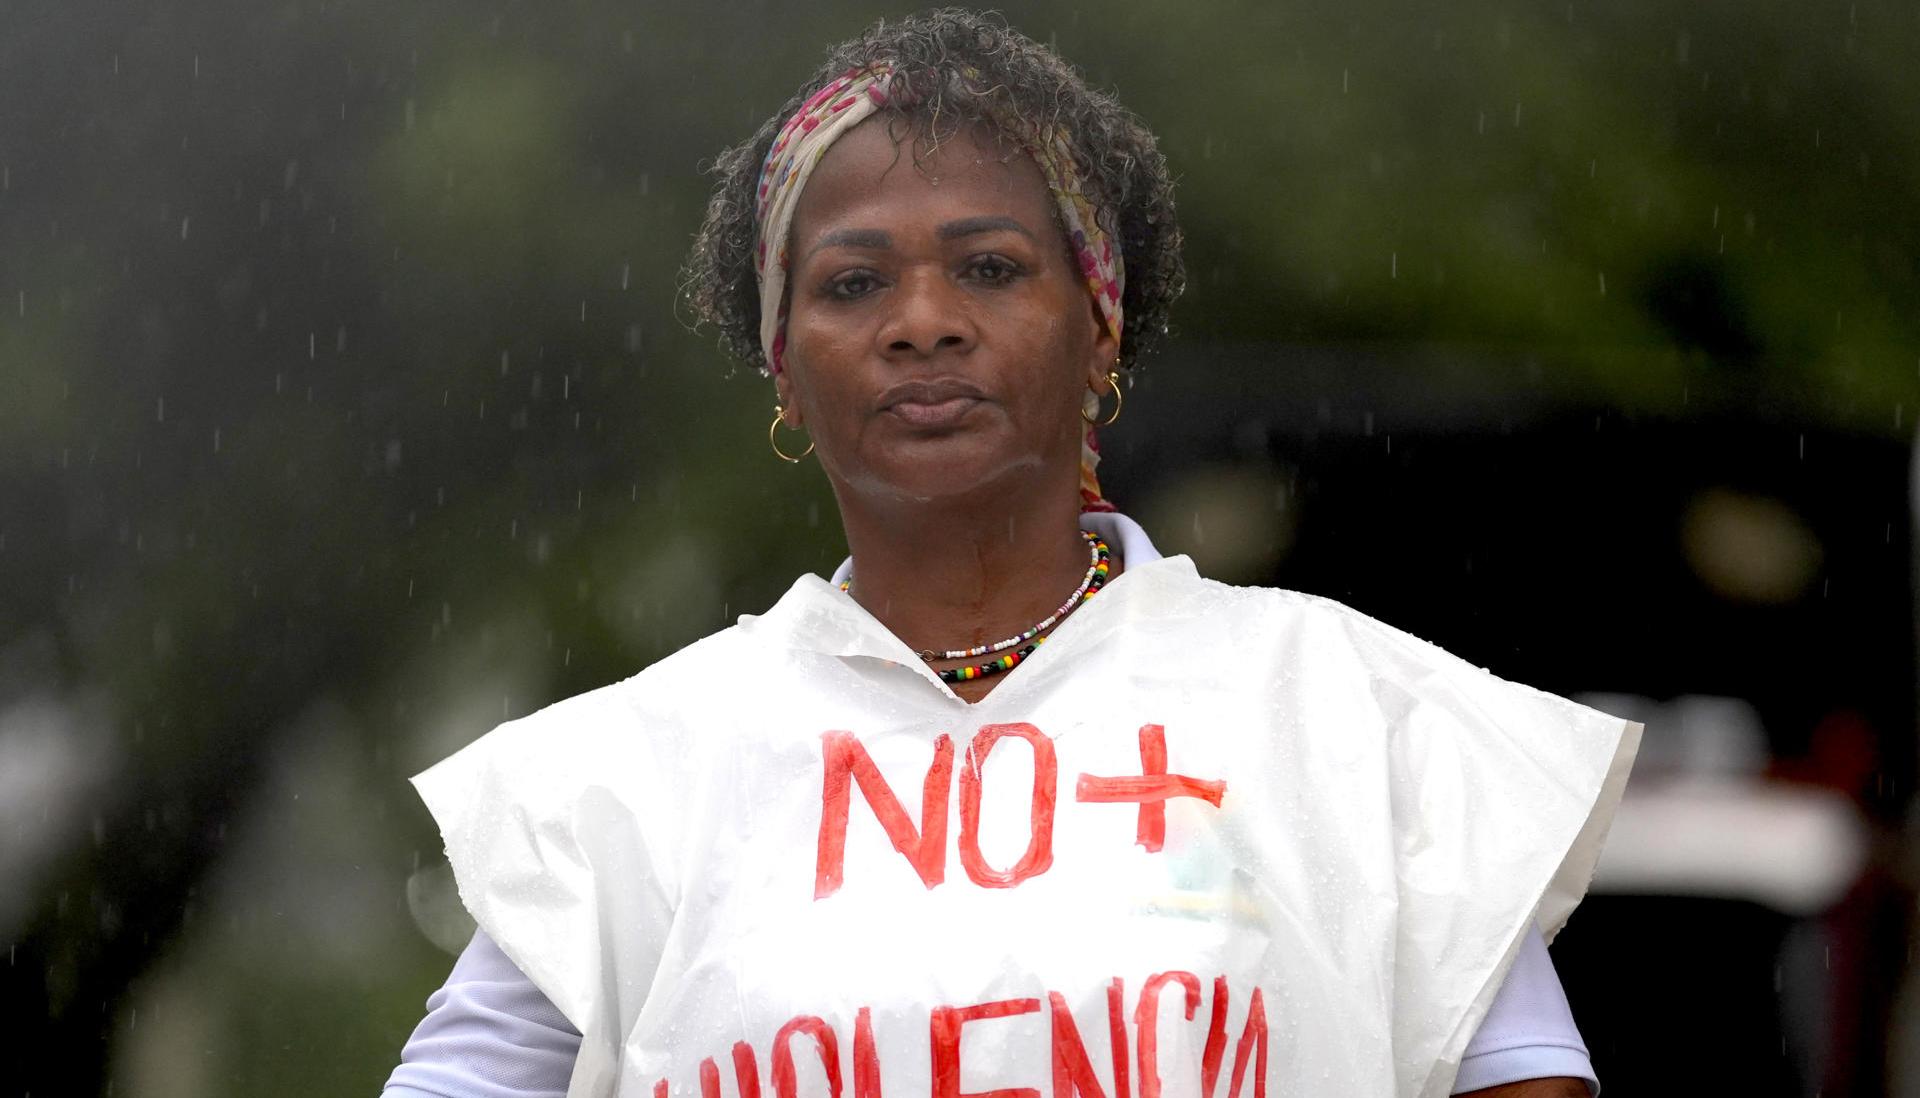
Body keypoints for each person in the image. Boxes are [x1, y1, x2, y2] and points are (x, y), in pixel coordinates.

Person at [382, 10, 1638, 1098]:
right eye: (852, 282)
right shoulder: (632, 785)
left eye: (989, 268)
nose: (922, 324)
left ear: (1100, 327)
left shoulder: (1353, 721)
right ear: (783, 363)